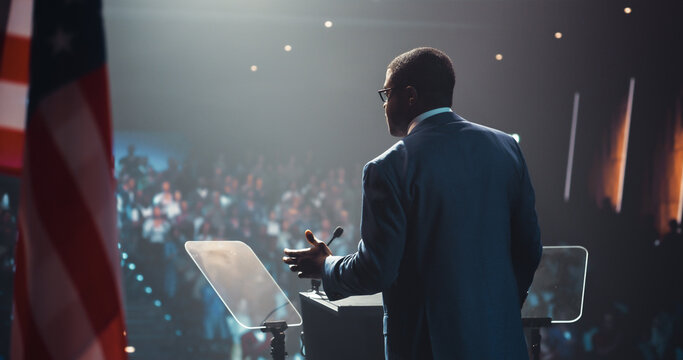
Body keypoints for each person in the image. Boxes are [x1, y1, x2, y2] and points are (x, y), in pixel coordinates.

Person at [283, 47, 542, 359]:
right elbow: (529, 248)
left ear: (409, 96)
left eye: (386, 93)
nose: (383, 105)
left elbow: (377, 270)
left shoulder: (390, 167)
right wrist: (504, 306)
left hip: (429, 347)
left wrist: (326, 265)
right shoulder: (506, 149)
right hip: (502, 341)